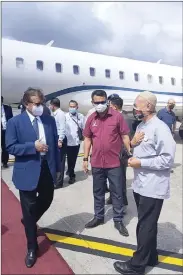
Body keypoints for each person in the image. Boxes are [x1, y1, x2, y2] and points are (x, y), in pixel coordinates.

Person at [114, 91, 176, 275]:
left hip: (153, 186)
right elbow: (135, 151)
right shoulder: (142, 125)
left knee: (145, 225)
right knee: (147, 224)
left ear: (148, 106)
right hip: (141, 184)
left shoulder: (160, 128)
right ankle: (151, 256)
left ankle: (137, 265)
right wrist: (131, 144)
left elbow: (167, 159)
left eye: (137, 105)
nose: (134, 109)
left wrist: (142, 163)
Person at [5, 88, 60, 268]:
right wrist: (32, 147)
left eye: (41, 103)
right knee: (28, 209)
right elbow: (11, 147)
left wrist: (58, 168)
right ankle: (31, 247)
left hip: (46, 168)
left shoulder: (49, 120)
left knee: (47, 199)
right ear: (26, 104)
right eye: (36, 104)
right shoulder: (15, 122)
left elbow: (55, 144)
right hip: (27, 170)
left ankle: (29, 220)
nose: (39, 107)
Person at [83, 90, 131, 236]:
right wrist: (85, 159)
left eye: (102, 102)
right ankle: (98, 217)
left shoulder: (117, 117)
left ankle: (118, 219)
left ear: (107, 101)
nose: (100, 105)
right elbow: (87, 139)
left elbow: (124, 136)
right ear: (93, 103)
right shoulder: (91, 118)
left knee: (117, 193)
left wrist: (128, 154)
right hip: (97, 162)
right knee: (98, 192)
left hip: (114, 162)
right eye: (96, 102)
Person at [105, 97, 144, 212]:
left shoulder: (124, 118)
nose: (108, 108)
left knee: (120, 180)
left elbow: (126, 139)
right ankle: (113, 197)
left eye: (109, 106)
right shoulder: (115, 117)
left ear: (115, 107)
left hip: (120, 154)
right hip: (113, 154)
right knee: (113, 178)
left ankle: (122, 204)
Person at [65, 100, 85, 184]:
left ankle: (71, 174)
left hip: (76, 142)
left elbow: (84, 127)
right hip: (67, 141)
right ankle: (71, 173)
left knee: (73, 159)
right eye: (70, 106)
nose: (72, 108)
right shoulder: (65, 116)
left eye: (73, 107)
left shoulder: (81, 116)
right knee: (69, 159)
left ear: (77, 107)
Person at [49, 97, 66, 189]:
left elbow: (62, 128)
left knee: (60, 161)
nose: (49, 106)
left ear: (53, 105)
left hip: (60, 140)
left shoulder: (60, 114)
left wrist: (60, 140)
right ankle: (55, 180)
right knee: (56, 160)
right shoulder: (54, 113)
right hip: (55, 139)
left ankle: (59, 182)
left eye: (50, 105)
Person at [1, 96, 13, 168]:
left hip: (5, 130)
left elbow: (11, 119)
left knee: (5, 147)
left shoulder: (8, 108)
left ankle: (5, 162)